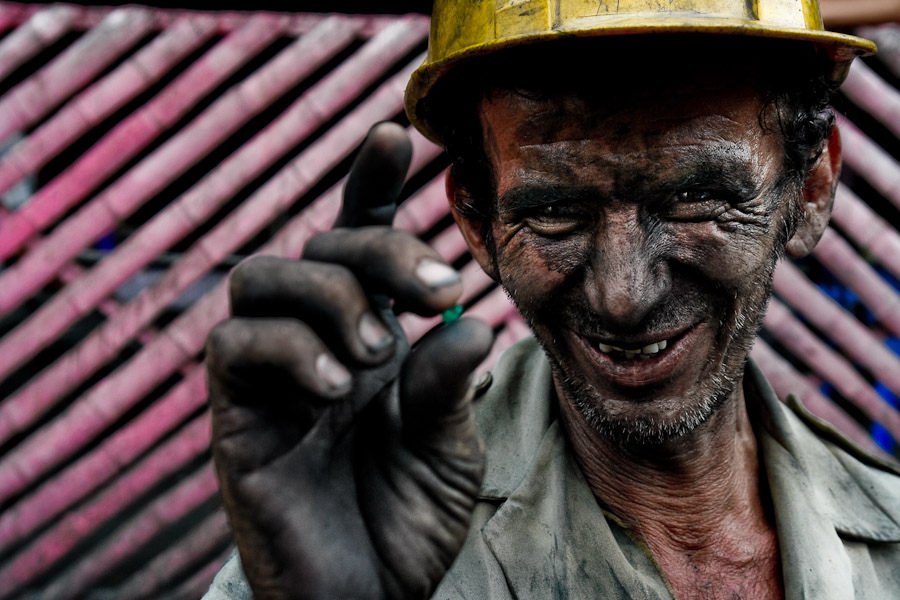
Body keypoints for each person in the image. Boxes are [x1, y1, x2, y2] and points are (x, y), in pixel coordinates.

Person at [203, 1, 900, 598]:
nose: (623, 296)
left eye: (696, 198)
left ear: (810, 186)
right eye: (557, 213)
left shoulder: (889, 540)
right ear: (476, 220)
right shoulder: (369, 521)